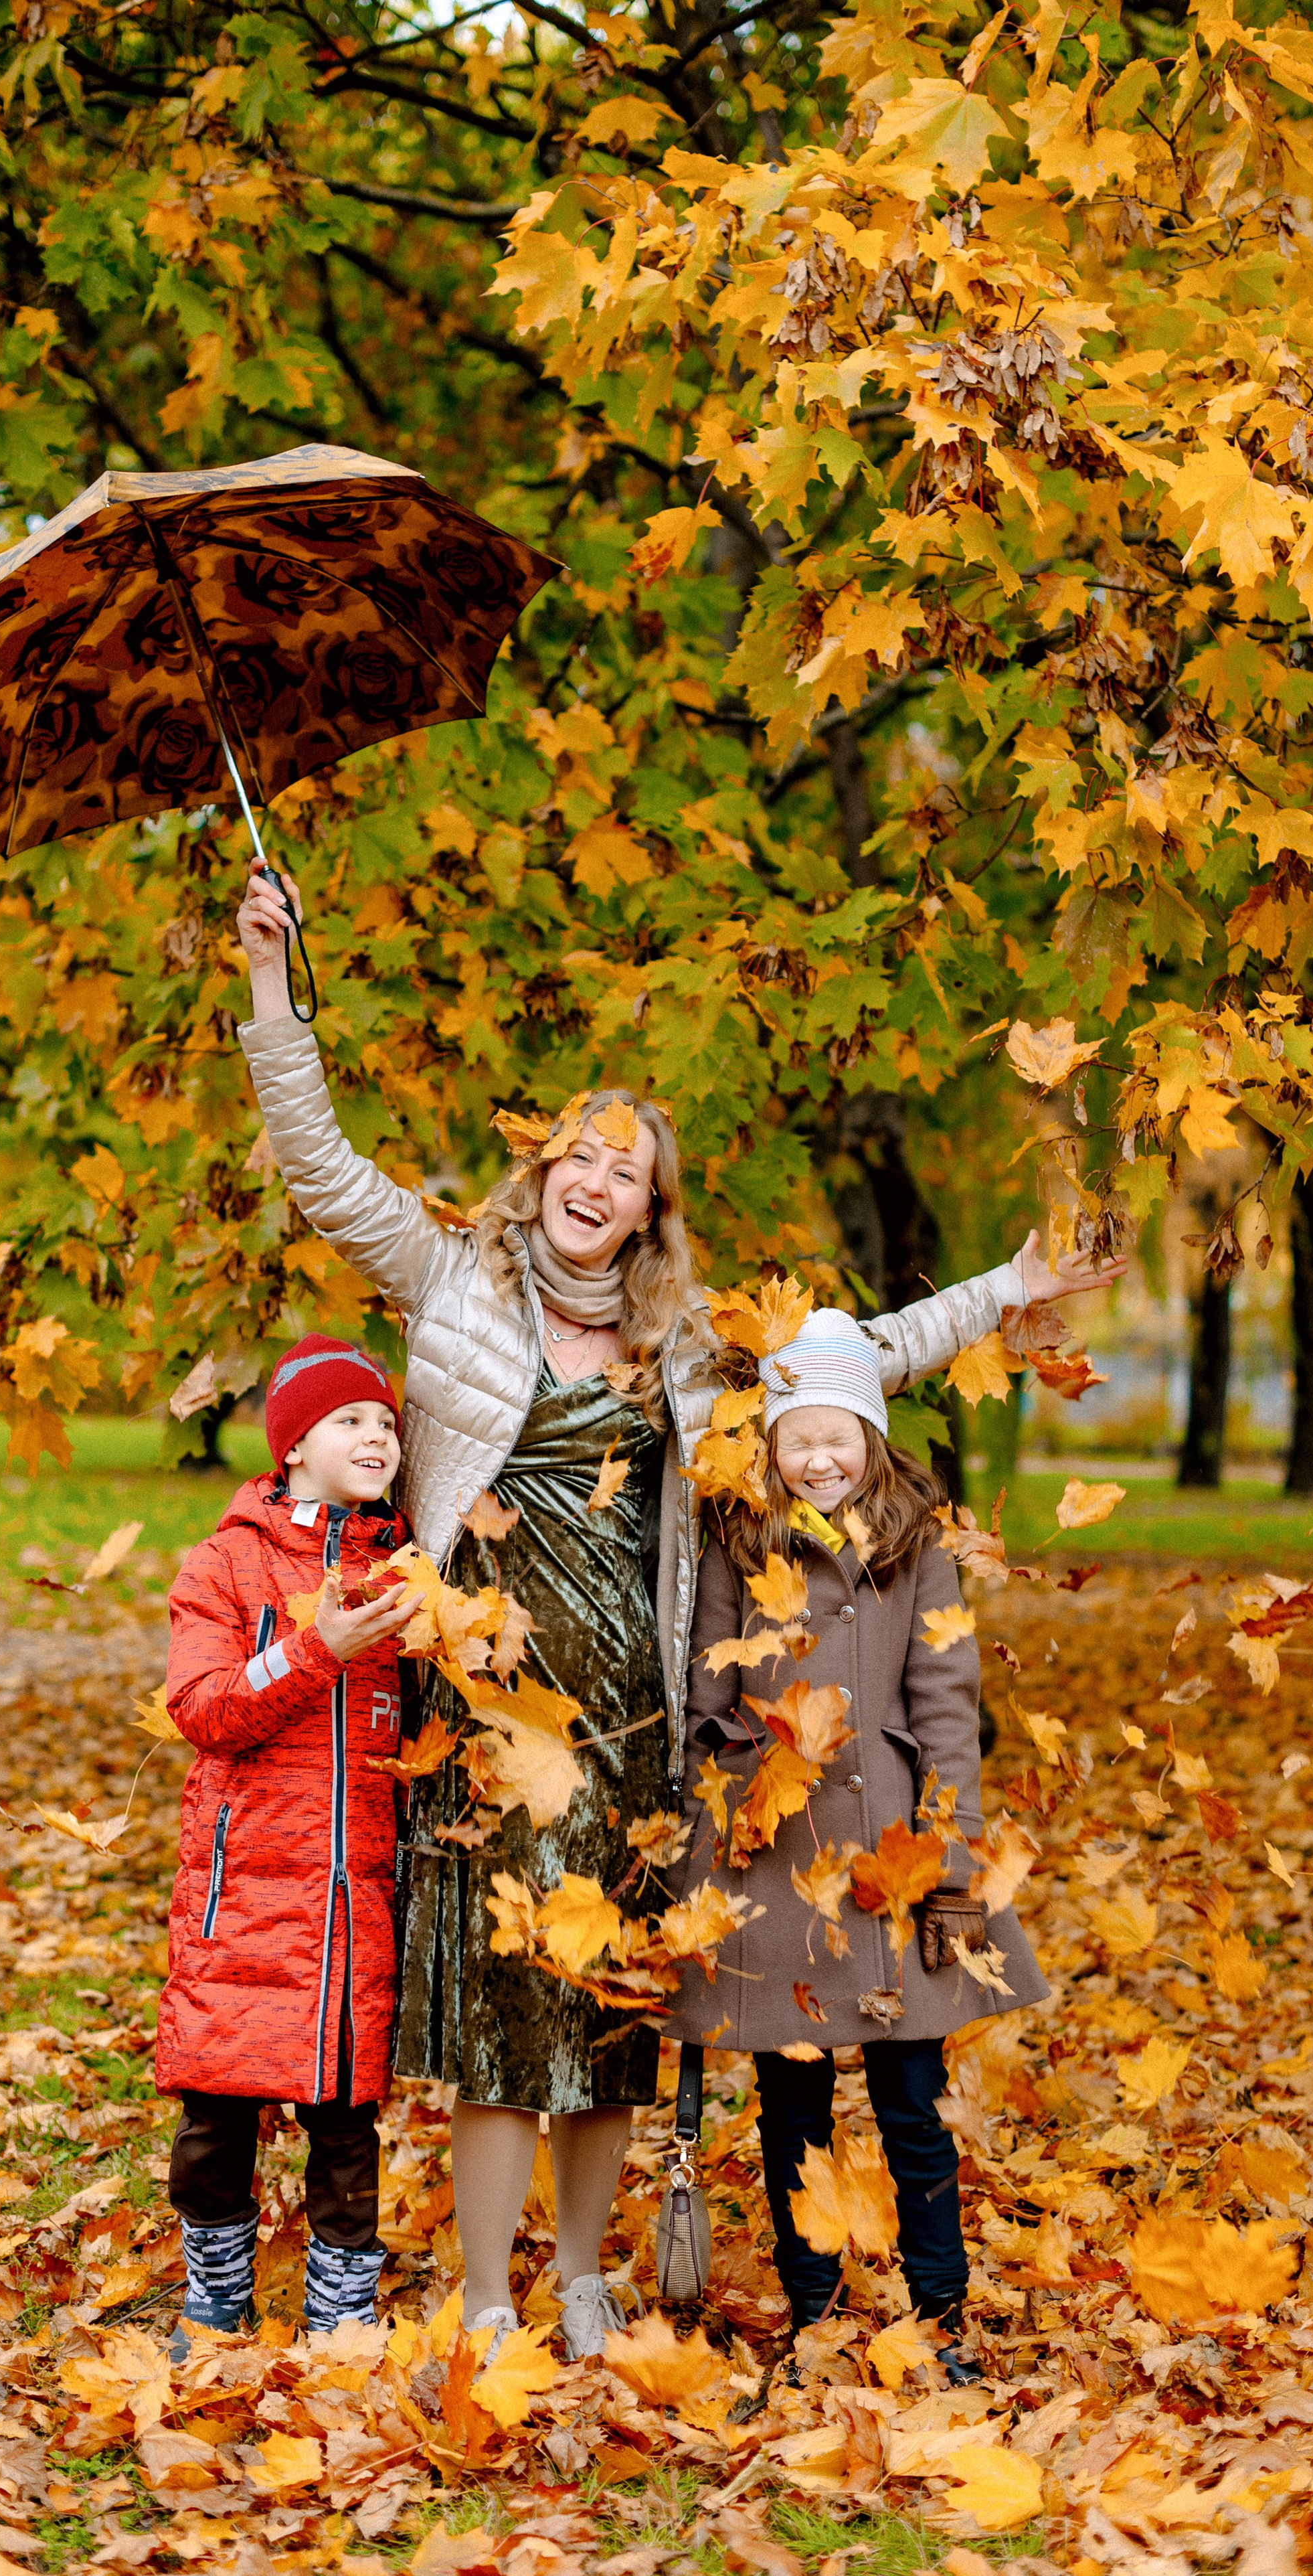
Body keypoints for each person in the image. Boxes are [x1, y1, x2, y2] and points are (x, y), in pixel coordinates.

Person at [235, 860, 1123, 2360]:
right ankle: (487, 2292)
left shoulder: (687, 1346)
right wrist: (272, 980)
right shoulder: (449, 1279)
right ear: (542, 1174)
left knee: (610, 2009)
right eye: (576, 1156)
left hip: (637, 1721)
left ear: (653, 1206)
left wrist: (1008, 1286)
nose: (594, 1182)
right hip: (484, 1721)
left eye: (625, 1169)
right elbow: (318, 1164)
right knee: (501, 2011)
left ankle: (584, 2277)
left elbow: (856, 1356)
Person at [665, 1309, 1049, 2372]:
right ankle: (816, 2311)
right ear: (772, 1449)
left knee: (911, 2101)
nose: (819, 1459)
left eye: (837, 1436)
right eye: (797, 1440)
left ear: (872, 1439)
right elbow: (706, 1685)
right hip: (775, 1853)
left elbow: (947, 1703)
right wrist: (716, 1795)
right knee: (792, 2102)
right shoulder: (740, 1540)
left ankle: (941, 2310)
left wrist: (953, 1849)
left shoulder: (919, 1548)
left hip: (892, 1853)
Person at [155, 1332, 420, 2358]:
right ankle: (215, 2299)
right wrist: (319, 1650)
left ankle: (340, 2313)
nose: (376, 1436)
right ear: (295, 1445)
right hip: (246, 1894)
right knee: (217, 2115)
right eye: (350, 1420)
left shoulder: (408, 1572)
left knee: (347, 2121)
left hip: (357, 1898)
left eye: (387, 1422)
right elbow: (204, 1708)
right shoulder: (224, 1563)